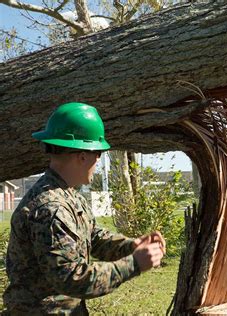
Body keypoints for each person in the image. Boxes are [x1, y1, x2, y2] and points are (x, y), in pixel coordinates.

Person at [4, 102, 166, 315]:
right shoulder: (51, 209)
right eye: (98, 154)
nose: (98, 161)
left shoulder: (67, 194)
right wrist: (134, 264)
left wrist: (130, 246)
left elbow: (92, 236)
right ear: (83, 156)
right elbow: (72, 279)